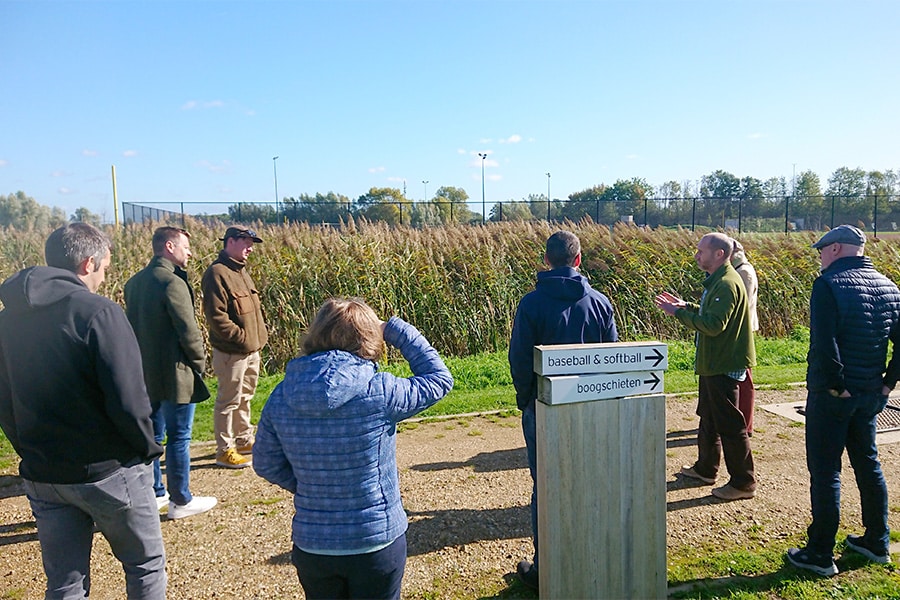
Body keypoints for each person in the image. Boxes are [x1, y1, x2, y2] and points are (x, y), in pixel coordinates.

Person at [0, 223, 166, 599]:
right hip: (108, 469)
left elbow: (4, 399)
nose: (104, 277)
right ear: (89, 263)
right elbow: (128, 397)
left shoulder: (7, 320)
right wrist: (147, 448)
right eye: (105, 267)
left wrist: (29, 449)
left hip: (45, 472)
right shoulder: (98, 312)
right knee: (145, 565)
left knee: (65, 582)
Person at [253, 297, 453, 599]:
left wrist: (309, 485)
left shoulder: (282, 395)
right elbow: (439, 379)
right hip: (375, 540)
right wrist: (395, 329)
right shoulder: (380, 391)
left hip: (313, 542)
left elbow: (265, 462)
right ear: (369, 337)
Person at [786, 225, 900, 576]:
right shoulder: (889, 286)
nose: (819, 256)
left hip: (833, 395)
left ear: (835, 249)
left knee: (825, 471)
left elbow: (825, 343)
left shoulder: (828, 284)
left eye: (821, 249)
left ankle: (820, 552)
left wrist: (837, 386)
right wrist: (887, 385)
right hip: (870, 393)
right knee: (868, 463)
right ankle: (877, 541)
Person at [508, 230, 619, 590]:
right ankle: (592, 559)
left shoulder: (531, 303)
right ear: (578, 259)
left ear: (547, 260)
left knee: (547, 484)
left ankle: (547, 567)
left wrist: (526, 400)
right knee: (590, 480)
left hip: (544, 407)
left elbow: (520, 360)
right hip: (590, 407)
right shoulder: (601, 303)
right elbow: (612, 360)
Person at [655, 231, 756, 501]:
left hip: (723, 363)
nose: (697, 255)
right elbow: (711, 312)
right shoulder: (719, 281)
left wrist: (679, 313)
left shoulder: (726, 283)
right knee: (709, 418)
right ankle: (705, 469)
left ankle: (743, 483)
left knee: (730, 425)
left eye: (701, 251)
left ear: (719, 254)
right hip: (713, 362)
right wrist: (686, 305)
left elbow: (713, 325)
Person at [125, 226, 218, 520]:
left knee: (153, 436)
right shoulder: (172, 282)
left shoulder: (134, 283)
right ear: (169, 246)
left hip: (144, 372)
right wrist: (200, 363)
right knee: (179, 436)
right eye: (185, 247)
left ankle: (155, 493)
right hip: (176, 372)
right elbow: (188, 331)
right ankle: (181, 499)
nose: (189, 252)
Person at [201, 226, 268, 469]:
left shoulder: (241, 272)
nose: (250, 248)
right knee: (228, 401)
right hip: (232, 352)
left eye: (252, 243)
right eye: (246, 242)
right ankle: (224, 449)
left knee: (245, 397)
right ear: (230, 242)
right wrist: (240, 338)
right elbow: (216, 316)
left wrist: (257, 338)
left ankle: (243, 439)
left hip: (251, 350)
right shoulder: (217, 273)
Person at [731, 238, 759, 435]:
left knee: (744, 378)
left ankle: (745, 423)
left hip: (742, 332)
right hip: (738, 330)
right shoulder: (739, 270)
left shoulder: (744, 272)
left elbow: (741, 305)